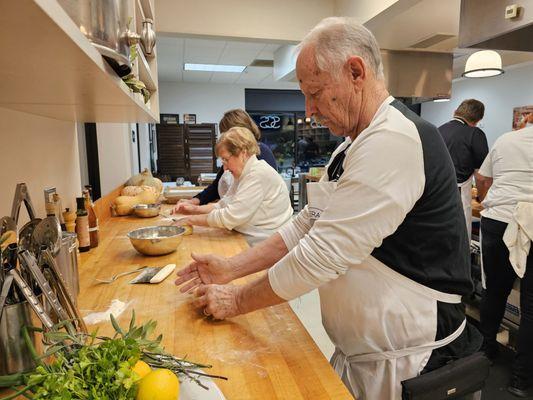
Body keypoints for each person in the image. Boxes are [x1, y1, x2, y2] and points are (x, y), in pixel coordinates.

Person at [174, 17, 479, 400]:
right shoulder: (351, 145)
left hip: (411, 359)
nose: (310, 109)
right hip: (366, 356)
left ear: (356, 71)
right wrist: (230, 269)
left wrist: (236, 299)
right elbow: (306, 226)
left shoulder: (394, 140)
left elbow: (320, 256)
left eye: (315, 92)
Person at [476, 112, 533, 397]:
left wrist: (486, 199)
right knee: (531, 308)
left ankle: (485, 353)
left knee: (494, 291)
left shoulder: (506, 140)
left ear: (527, 119)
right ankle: (520, 379)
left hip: (499, 219)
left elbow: (483, 177)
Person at [173, 127, 292, 245]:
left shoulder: (258, 174)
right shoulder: (244, 172)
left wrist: (189, 220)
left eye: (226, 160)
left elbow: (230, 216)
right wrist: (195, 210)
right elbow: (224, 204)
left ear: (243, 153)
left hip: (266, 243)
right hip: (253, 237)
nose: (224, 168)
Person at [176, 109, 277, 212]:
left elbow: (245, 204)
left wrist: (196, 211)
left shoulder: (260, 152)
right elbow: (216, 187)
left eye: (228, 133)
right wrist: (194, 201)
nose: (225, 138)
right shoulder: (232, 157)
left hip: (259, 220)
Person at [438, 99, 489, 241]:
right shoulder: (475, 134)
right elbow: (482, 178)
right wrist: (483, 200)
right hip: (457, 195)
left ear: (456, 112)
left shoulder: (438, 129)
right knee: (459, 241)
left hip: (435, 193)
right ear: (478, 119)